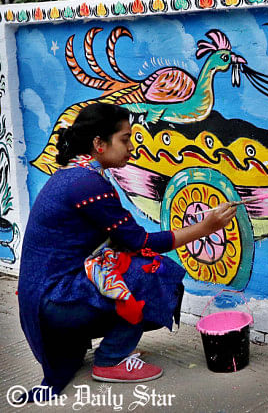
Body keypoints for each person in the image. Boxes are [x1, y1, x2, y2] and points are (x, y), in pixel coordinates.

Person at [17, 103, 237, 399]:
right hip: (54, 302)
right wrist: (205, 228)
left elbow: (124, 239)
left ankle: (111, 346)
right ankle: (111, 359)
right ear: (99, 144)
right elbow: (139, 242)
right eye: (125, 139)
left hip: (46, 298)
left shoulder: (76, 174)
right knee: (151, 272)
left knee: (132, 266)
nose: (131, 147)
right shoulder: (86, 183)